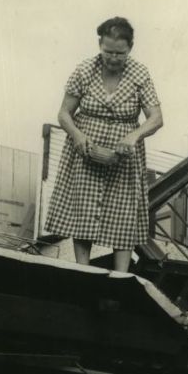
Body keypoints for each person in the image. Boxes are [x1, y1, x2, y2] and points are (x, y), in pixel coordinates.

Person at [45, 17, 163, 273]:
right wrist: (77, 136)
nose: (113, 58)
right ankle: (84, 272)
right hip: (85, 151)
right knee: (84, 210)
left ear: (130, 48)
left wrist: (134, 136)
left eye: (119, 53)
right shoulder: (84, 70)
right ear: (100, 44)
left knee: (123, 215)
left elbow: (156, 118)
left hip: (123, 157)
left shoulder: (139, 74)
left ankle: (120, 277)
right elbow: (64, 113)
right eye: (108, 51)